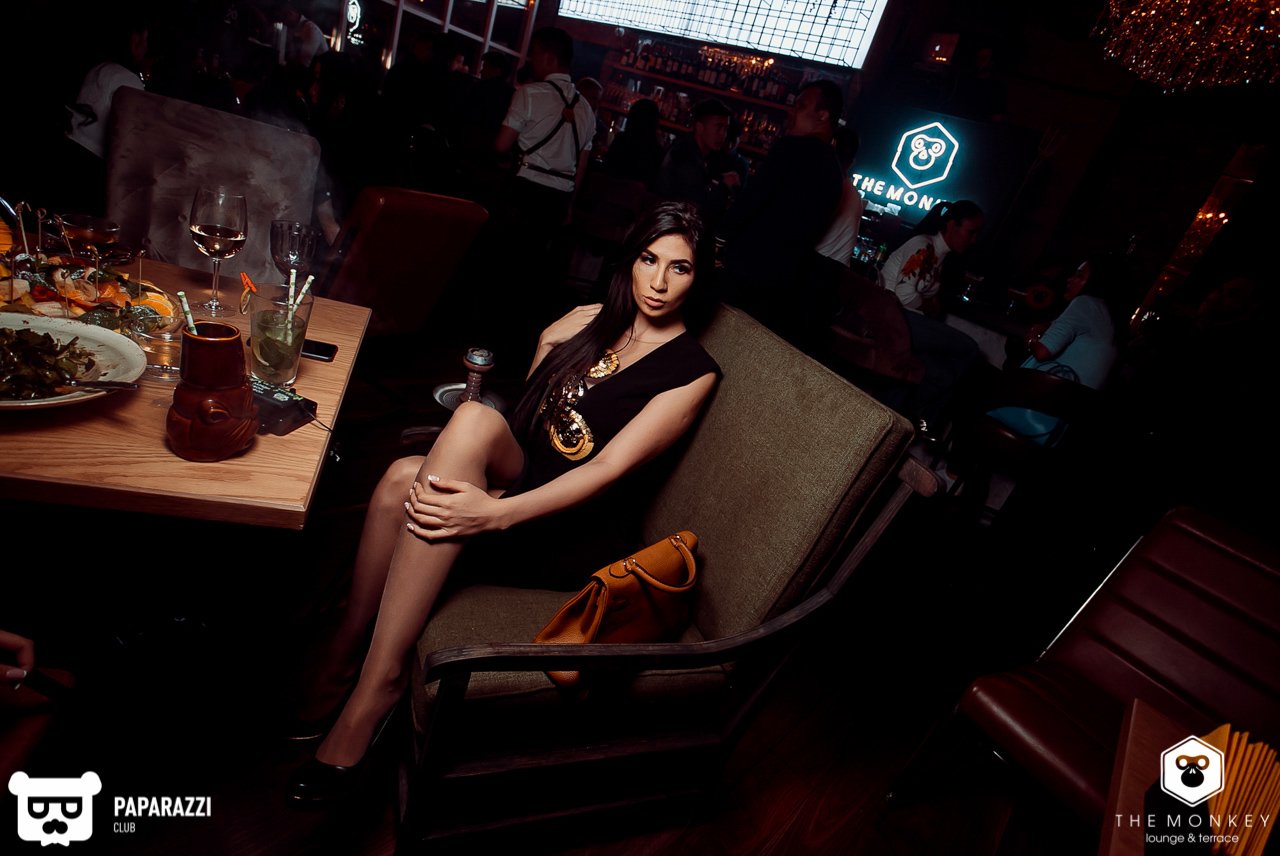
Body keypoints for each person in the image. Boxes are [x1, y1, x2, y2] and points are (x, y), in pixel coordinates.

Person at [287, 201, 721, 803]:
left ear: (698, 278)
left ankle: (375, 684)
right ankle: (346, 653)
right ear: (631, 260)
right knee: (416, 465)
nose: (659, 281)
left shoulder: (692, 370)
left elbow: (606, 469)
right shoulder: (597, 323)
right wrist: (547, 344)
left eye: (680, 268)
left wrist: (497, 513)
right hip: (524, 479)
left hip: (571, 526)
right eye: (649, 260)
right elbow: (528, 428)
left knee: (414, 470)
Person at [719, 79, 845, 348]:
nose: (791, 111)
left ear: (823, 115)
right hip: (785, 282)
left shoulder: (791, 149)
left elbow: (751, 203)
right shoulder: (836, 171)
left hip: (745, 266)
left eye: (800, 106)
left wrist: (718, 240)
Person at [987, 256, 1127, 443]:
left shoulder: (1085, 303)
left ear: (1096, 283)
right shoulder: (1112, 321)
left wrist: (1031, 339)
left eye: (1079, 276)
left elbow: (1042, 352)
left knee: (977, 377)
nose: (1070, 280)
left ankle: (956, 457)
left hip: (1033, 414)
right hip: (1060, 428)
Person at [877, 200, 983, 440]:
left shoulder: (939, 257)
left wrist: (931, 304)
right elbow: (904, 296)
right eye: (971, 232)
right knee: (969, 348)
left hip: (905, 321)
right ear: (952, 225)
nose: (973, 240)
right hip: (894, 319)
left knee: (941, 374)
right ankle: (926, 418)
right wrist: (928, 305)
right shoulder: (923, 245)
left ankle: (914, 424)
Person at [656, 98, 737, 222]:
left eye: (726, 129)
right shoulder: (684, 155)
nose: (723, 135)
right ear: (699, 127)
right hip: (670, 223)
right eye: (718, 127)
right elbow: (698, 207)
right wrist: (724, 186)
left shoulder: (707, 156)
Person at [814, 125, 866, 267]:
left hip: (815, 266)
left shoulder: (826, 184)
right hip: (836, 271)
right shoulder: (855, 195)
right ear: (852, 162)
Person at [602, 98, 665, 188]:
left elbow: (607, 168)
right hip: (635, 196)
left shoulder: (621, 139)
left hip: (609, 191)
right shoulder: (656, 151)